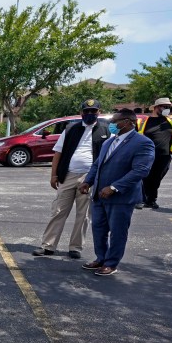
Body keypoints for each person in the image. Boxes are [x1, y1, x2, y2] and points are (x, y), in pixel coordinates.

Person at [79, 109, 155, 276]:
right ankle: (101, 258)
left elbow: (140, 171)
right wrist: (88, 181)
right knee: (98, 229)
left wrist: (114, 187)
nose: (111, 125)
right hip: (99, 196)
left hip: (120, 197)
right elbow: (97, 165)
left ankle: (111, 263)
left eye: (115, 121)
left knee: (117, 232)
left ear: (128, 122)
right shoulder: (109, 142)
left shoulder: (143, 143)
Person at [33, 99, 110, 260]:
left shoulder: (105, 130)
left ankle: (75, 247)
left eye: (93, 111)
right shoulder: (70, 129)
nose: (90, 114)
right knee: (59, 211)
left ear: (99, 112)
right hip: (67, 175)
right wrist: (53, 175)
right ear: (81, 113)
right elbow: (58, 154)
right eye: (86, 111)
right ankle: (48, 245)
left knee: (84, 215)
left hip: (89, 178)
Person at [135, 97, 172, 209]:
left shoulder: (171, 120)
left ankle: (151, 200)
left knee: (156, 178)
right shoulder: (143, 121)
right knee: (144, 178)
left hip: (164, 156)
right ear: (156, 107)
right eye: (165, 107)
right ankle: (142, 199)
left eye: (168, 107)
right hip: (146, 155)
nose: (167, 109)